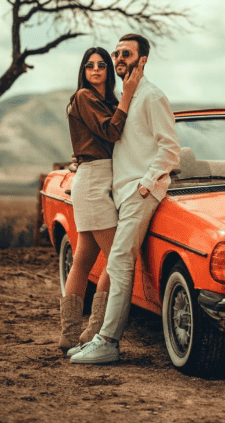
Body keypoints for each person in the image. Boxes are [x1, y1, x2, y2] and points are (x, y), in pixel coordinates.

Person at [70, 33, 180, 364]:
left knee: (117, 260)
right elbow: (115, 139)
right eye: (117, 53)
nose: (119, 58)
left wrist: (146, 184)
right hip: (120, 191)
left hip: (137, 191)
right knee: (109, 260)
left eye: (126, 54)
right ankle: (94, 338)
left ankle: (107, 341)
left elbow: (170, 148)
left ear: (142, 59)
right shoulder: (128, 98)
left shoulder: (151, 97)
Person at [59, 46, 143, 355]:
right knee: (118, 260)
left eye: (101, 65)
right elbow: (110, 132)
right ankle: (94, 331)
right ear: (83, 70)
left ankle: (70, 334)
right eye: (89, 65)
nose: (95, 69)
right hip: (94, 181)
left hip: (102, 178)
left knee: (83, 260)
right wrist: (128, 93)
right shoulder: (83, 96)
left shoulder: (103, 100)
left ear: (108, 70)